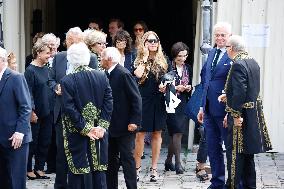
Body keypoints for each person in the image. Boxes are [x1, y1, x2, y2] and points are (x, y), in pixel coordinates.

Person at [48, 27, 98, 189]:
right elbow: (50, 80)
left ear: (82, 42)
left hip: (82, 114)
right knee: (61, 153)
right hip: (61, 112)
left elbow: (94, 83)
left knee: (83, 153)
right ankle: (61, 185)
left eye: (76, 41)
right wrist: (56, 87)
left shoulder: (91, 58)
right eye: (70, 41)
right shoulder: (59, 57)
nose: (73, 44)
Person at [221, 35, 272, 189]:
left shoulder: (238, 64)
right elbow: (249, 89)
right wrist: (227, 95)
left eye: (226, 47)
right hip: (252, 115)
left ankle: (233, 186)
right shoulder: (253, 62)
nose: (226, 50)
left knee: (235, 156)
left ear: (231, 48)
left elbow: (239, 93)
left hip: (241, 117)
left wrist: (235, 115)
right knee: (248, 156)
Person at [60, 42, 113, 189]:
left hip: (77, 131)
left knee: (77, 172)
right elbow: (108, 102)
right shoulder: (101, 76)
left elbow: (69, 108)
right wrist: (101, 126)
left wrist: (86, 128)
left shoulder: (67, 80)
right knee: (99, 171)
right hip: (99, 131)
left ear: (70, 60)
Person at [197, 22, 232, 189]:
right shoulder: (211, 53)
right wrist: (202, 106)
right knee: (213, 148)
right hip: (209, 109)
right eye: (217, 35)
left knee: (231, 149)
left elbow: (234, 85)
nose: (219, 38)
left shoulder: (233, 56)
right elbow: (205, 80)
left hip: (224, 110)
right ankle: (217, 182)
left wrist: (230, 111)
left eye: (223, 35)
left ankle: (233, 182)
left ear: (229, 36)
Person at [101, 47, 142, 189]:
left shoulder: (123, 74)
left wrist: (134, 121)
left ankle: (132, 186)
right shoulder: (105, 74)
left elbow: (136, 99)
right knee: (110, 159)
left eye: (102, 57)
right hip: (110, 125)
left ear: (109, 59)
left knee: (127, 159)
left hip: (125, 125)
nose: (100, 60)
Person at [133, 31, 169, 182]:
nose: (153, 43)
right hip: (143, 100)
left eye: (156, 40)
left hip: (159, 100)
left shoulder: (164, 59)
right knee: (140, 134)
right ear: (144, 43)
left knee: (157, 134)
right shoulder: (138, 59)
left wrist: (166, 86)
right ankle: (137, 169)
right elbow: (138, 75)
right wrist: (146, 56)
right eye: (149, 41)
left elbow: (169, 78)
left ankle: (154, 169)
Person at [0, 46, 32, 189]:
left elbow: (25, 107)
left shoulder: (16, 77)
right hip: (1, 137)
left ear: (1, 60)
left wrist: (20, 132)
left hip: (15, 138)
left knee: (15, 182)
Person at [25, 39, 53, 180]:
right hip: (35, 113)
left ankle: (39, 168)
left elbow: (50, 86)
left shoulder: (47, 69)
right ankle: (28, 168)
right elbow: (27, 92)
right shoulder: (30, 71)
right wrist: (31, 111)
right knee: (33, 142)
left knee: (45, 141)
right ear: (38, 53)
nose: (50, 55)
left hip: (48, 111)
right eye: (47, 53)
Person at [164, 42, 192, 174]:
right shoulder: (168, 66)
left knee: (176, 133)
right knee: (177, 131)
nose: (182, 58)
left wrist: (189, 87)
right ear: (174, 55)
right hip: (170, 102)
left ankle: (169, 161)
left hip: (183, 102)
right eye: (180, 56)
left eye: (185, 56)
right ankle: (178, 163)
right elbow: (163, 84)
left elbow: (189, 83)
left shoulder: (188, 68)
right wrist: (176, 88)